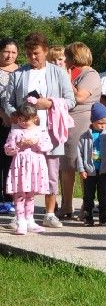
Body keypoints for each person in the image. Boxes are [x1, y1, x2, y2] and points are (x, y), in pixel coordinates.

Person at [3, 33, 73, 227]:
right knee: (23, 172)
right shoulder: (18, 74)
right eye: (29, 54)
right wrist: (14, 114)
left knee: (51, 171)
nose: (32, 58)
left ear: (45, 51)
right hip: (23, 130)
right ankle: (22, 215)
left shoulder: (58, 72)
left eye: (36, 53)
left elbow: (70, 100)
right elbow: (8, 101)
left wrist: (49, 103)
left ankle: (50, 213)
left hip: (49, 130)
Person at [60, 42, 102, 221]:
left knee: (83, 164)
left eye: (68, 56)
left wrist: (67, 78)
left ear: (75, 56)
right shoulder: (70, 72)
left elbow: (79, 96)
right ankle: (66, 205)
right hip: (66, 122)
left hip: (83, 122)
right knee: (66, 166)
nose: (66, 59)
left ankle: (87, 205)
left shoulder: (90, 74)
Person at [4, 103, 52, 235]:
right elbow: (7, 150)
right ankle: (20, 220)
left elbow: (48, 146)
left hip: (35, 165)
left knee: (30, 194)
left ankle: (30, 219)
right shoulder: (15, 131)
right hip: (20, 166)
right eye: (20, 119)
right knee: (19, 194)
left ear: (35, 118)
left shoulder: (41, 130)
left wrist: (36, 142)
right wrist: (17, 145)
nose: (23, 122)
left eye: (26, 119)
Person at [76, 102, 106, 227]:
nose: (103, 126)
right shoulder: (85, 136)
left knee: (104, 195)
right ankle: (88, 217)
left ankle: (103, 217)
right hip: (90, 171)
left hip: (104, 171)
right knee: (88, 196)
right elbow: (79, 154)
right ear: (93, 121)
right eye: (100, 123)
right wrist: (81, 169)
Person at [0, 37, 20, 216]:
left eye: (13, 52)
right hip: (2, 120)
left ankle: (8, 198)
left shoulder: (21, 71)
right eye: (6, 51)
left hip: (15, 124)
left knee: (9, 162)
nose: (10, 55)